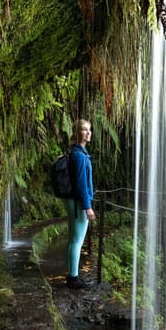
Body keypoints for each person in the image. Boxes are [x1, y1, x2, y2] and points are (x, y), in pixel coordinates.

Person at [65, 118, 95, 289]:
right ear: (77, 133)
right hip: (78, 203)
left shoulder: (77, 152)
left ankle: (72, 275)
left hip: (74, 202)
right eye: (84, 129)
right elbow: (80, 184)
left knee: (72, 240)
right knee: (76, 241)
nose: (88, 132)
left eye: (89, 129)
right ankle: (73, 278)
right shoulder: (78, 155)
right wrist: (87, 206)